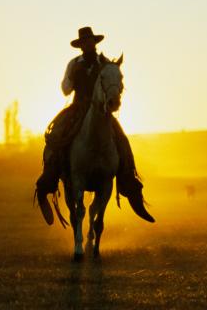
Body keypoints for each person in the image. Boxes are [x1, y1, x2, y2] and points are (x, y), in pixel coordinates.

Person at [35, 26, 154, 224]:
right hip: (77, 109)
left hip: (101, 111)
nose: (87, 45)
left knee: (122, 140)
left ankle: (129, 181)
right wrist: (72, 77)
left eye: (90, 41)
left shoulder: (104, 64)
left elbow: (113, 83)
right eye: (84, 42)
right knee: (55, 137)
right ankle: (48, 180)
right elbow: (66, 90)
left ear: (94, 43)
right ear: (80, 45)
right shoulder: (74, 64)